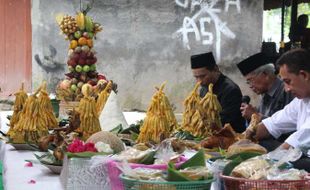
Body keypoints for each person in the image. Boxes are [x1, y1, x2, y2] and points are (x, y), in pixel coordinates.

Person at [246, 48, 310, 172]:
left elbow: (295, 142)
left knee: (283, 160)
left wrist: (265, 164)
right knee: (262, 144)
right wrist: (241, 139)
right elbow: (272, 124)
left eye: (288, 82)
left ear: (304, 75)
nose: (286, 89)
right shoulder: (301, 100)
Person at [191, 52, 245, 133]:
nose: (199, 81)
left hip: (230, 138)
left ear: (215, 69)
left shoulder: (230, 90)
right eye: (196, 77)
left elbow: (222, 122)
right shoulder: (204, 88)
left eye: (202, 76)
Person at [237, 52, 294, 122]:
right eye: (248, 83)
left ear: (265, 75)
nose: (250, 86)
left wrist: (255, 116)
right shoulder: (265, 93)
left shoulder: (287, 90)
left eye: (250, 80)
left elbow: (288, 125)